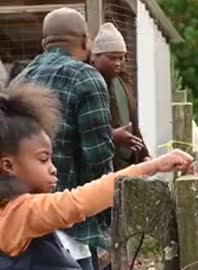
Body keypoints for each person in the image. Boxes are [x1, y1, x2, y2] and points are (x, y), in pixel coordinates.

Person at [0, 84, 195, 269]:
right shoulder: (20, 212)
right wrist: (152, 166)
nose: (53, 169)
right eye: (43, 160)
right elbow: (79, 201)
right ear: (8, 166)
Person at [7, 8, 116, 270]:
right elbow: (99, 154)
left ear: (45, 42)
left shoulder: (19, 80)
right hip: (76, 218)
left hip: (27, 220)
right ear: (84, 40)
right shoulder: (86, 76)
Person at [91, 22, 150, 171]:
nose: (118, 63)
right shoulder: (88, 85)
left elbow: (133, 126)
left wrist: (144, 155)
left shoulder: (123, 83)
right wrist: (112, 136)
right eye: (112, 58)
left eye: (121, 58)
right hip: (103, 167)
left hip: (128, 164)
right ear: (95, 57)